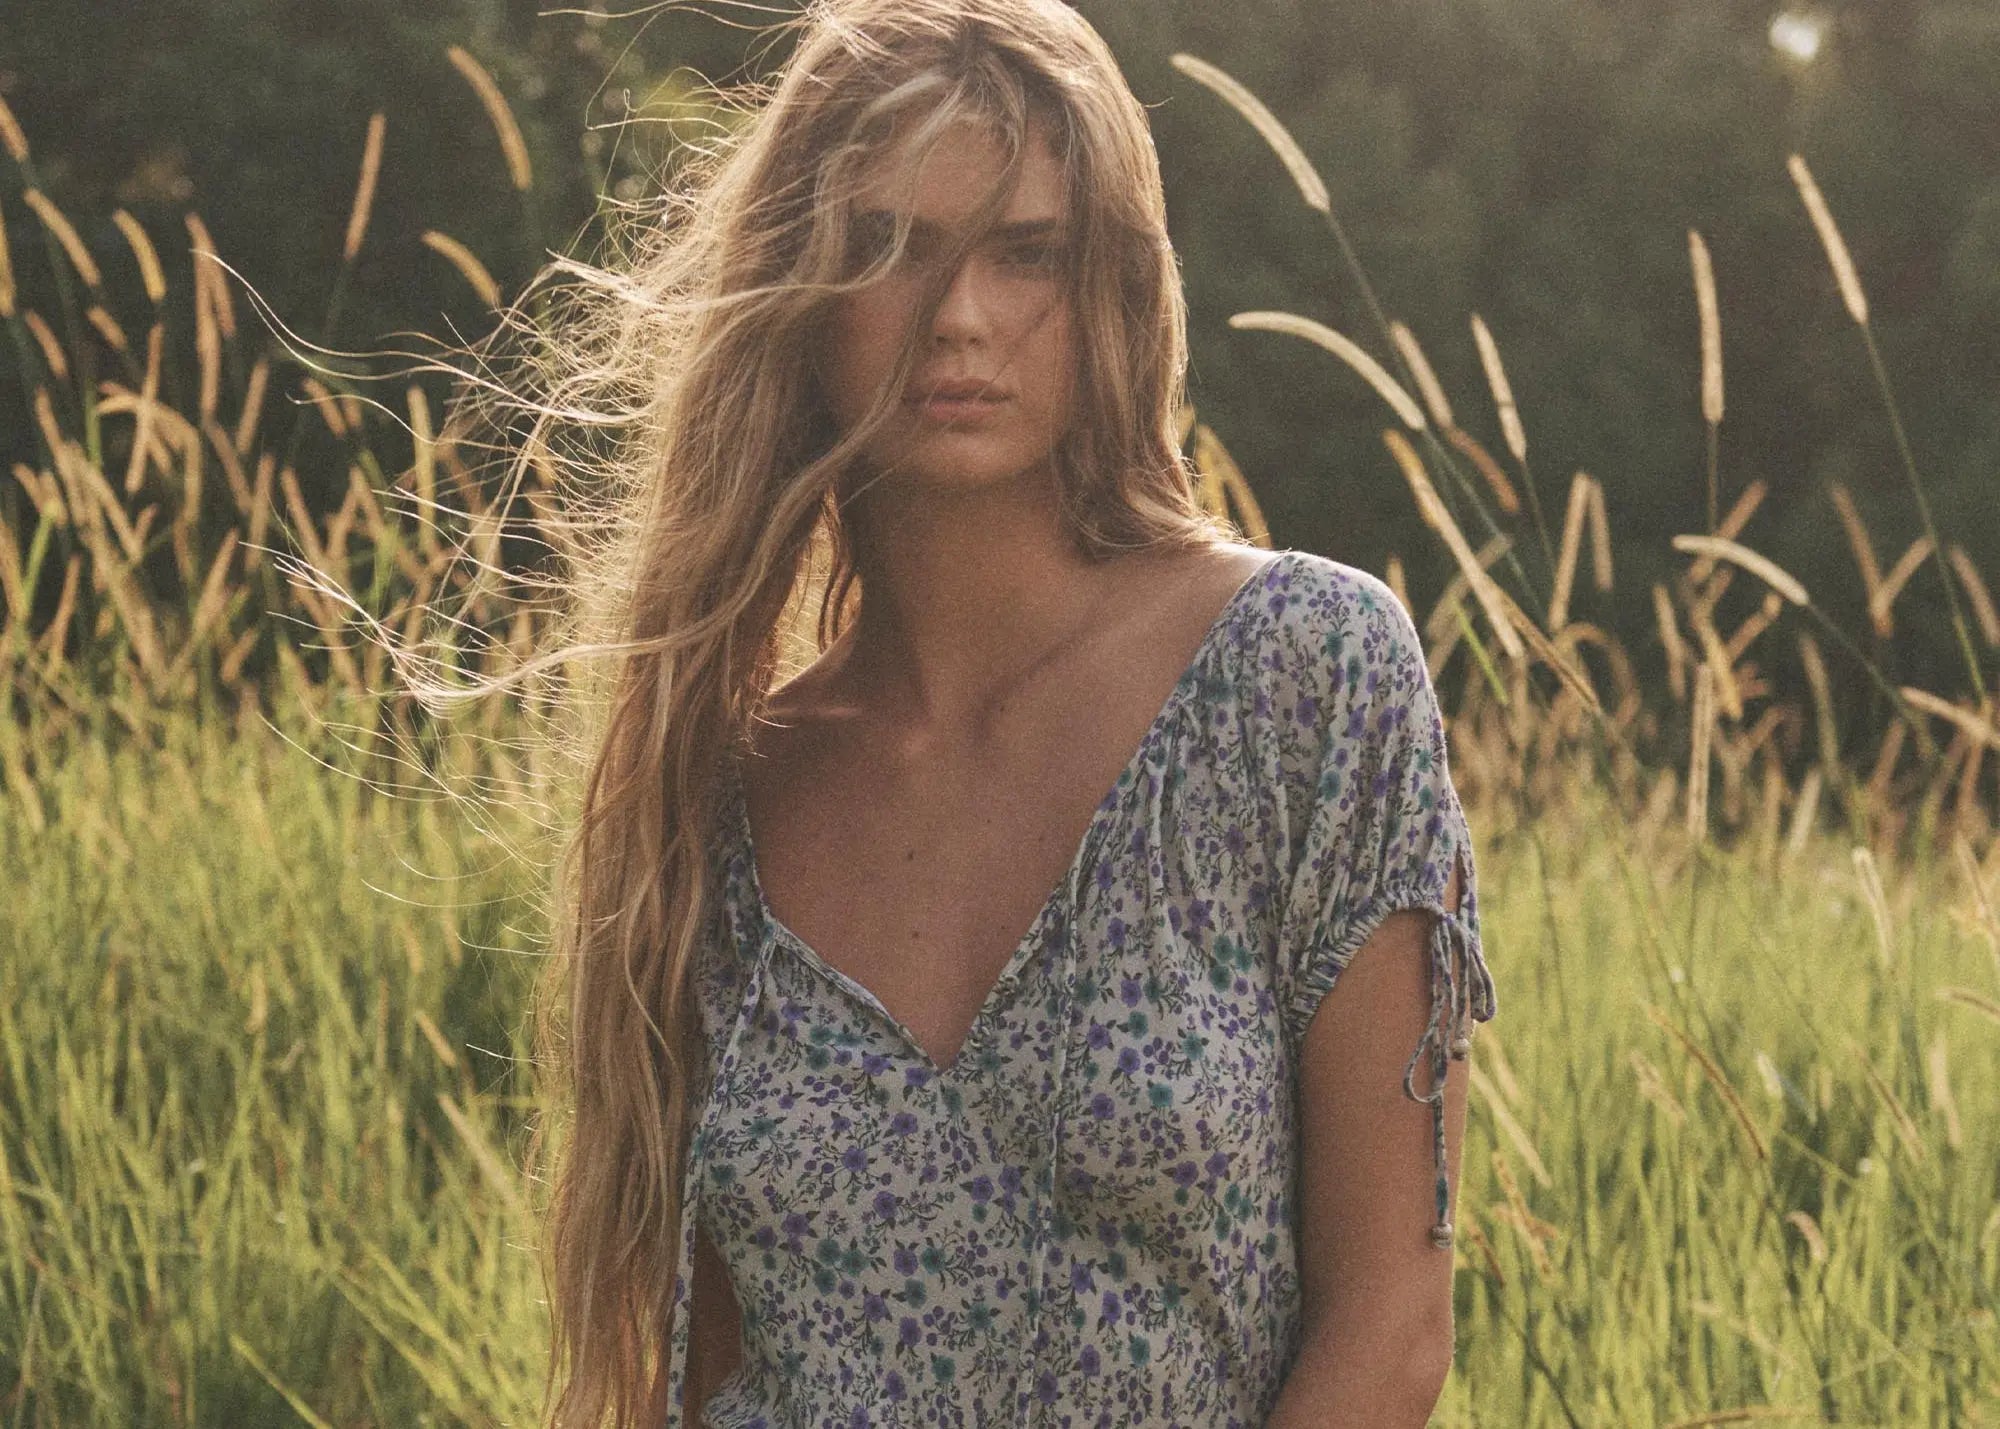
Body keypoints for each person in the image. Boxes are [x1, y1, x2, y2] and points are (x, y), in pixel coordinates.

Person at [485, 2, 1498, 1425]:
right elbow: (697, 1364)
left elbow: (1390, 1325)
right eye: (892, 247)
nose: (959, 316)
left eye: (1028, 253)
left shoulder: (1305, 672)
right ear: (802, 290)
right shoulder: (714, 788)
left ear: (1110, 291)